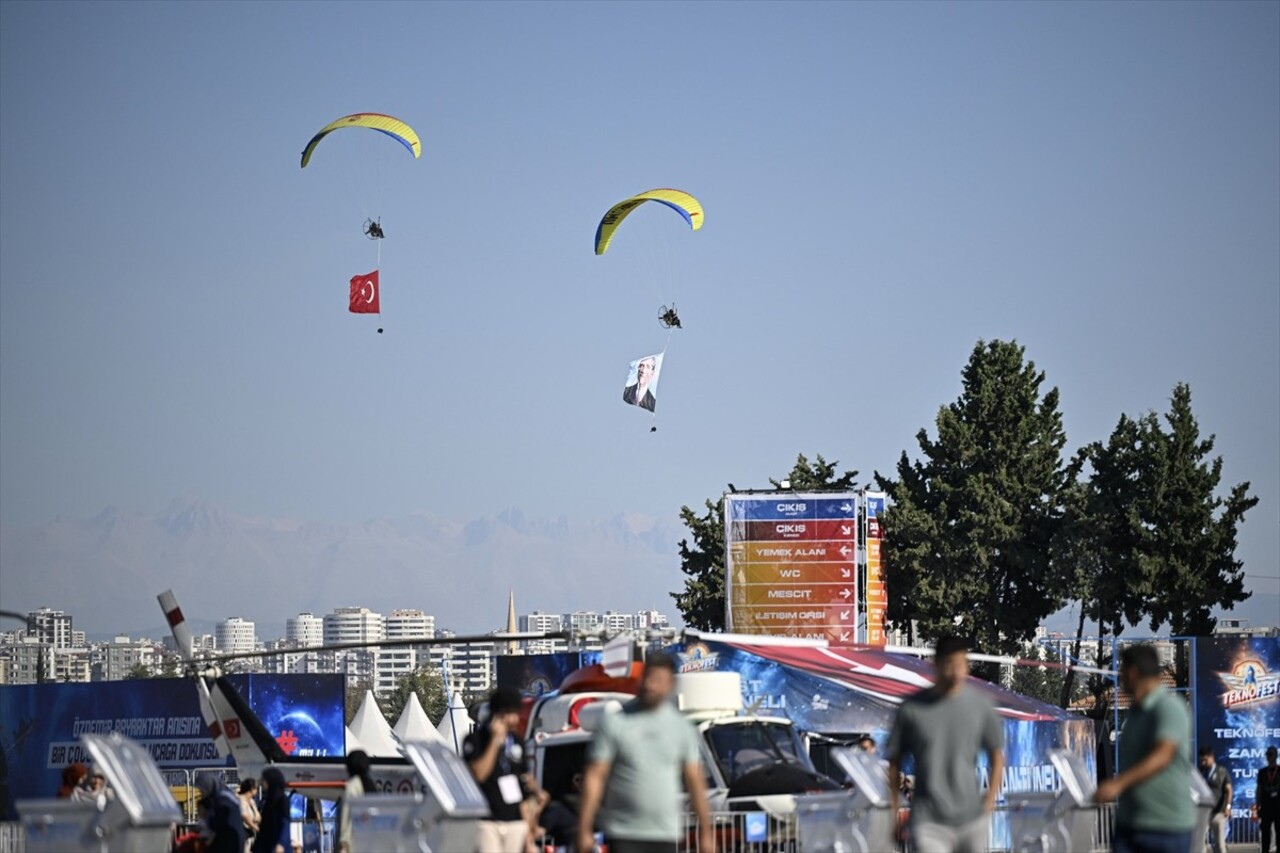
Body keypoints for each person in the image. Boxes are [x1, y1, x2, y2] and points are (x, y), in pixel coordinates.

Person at [577, 653, 714, 853]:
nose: (650, 685)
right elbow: (595, 776)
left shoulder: (681, 728)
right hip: (623, 832)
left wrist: (706, 834)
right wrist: (584, 828)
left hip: (665, 834)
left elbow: (695, 780)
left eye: (658, 680)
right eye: (647, 678)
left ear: (670, 684)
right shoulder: (615, 722)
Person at [887, 635, 1004, 853]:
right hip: (928, 821)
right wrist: (894, 811)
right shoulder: (912, 709)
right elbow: (894, 760)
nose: (957, 672)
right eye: (951, 664)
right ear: (937, 664)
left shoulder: (980, 706)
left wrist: (988, 802)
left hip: (971, 819)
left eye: (962, 664)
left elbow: (997, 755)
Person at [1094, 644, 1193, 853]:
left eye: (1121, 671)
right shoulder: (1135, 712)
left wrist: (1118, 784)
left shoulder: (1169, 706)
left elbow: (1163, 755)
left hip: (1166, 827)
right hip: (1130, 824)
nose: (1119, 678)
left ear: (1133, 673)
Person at [463, 687, 537, 853]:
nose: (516, 719)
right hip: (486, 821)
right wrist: (495, 741)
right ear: (501, 714)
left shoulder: (517, 742)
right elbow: (478, 774)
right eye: (514, 714)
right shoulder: (475, 740)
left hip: (515, 821)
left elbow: (523, 783)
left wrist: (529, 830)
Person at [195, 772, 247, 853]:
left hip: (229, 841)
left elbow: (216, 822)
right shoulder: (226, 794)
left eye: (203, 790)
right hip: (235, 838)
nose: (202, 793)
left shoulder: (222, 800)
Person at [336, 750, 376, 853]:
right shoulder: (371, 785)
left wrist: (344, 845)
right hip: (370, 842)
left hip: (354, 844)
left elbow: (347, 816)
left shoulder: (352, 786)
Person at [251, 767, 292, 853]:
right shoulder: (269, 801)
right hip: (266, 845)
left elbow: (285, 822)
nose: (262, 783)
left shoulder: (282, 800)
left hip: (277, 845)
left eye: (264, 780)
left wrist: (281, 843)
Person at [1199, 747, 1231, 853]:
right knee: (1199, 842)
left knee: (1219, 844)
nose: (1203, 762)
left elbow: (1229, 790)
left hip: (1218, 812)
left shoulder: (1222, 771)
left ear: (1212, 758)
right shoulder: (1201, 771)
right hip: (1204, 812)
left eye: (1205, 760)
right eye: (1201, 760)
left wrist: (1228, 806)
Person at [1258, 746, 1280, 853]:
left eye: (1271, 755)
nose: (1269, 757)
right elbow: (1259, 789)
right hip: (1266, 807)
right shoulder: (1262, 772)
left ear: (1276, 756)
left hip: (1278, 807)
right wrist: (1257, 805)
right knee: (1265, 834)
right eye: (1267, 755)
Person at [238, 777, 261, 852]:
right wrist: (256, 828)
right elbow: (244, 815)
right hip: (242, 834)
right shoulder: (239, 800)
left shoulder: (251, 801)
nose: (257, 790)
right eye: (256, 788)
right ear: (251, 789)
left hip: (250, 835)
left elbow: (257, 816)